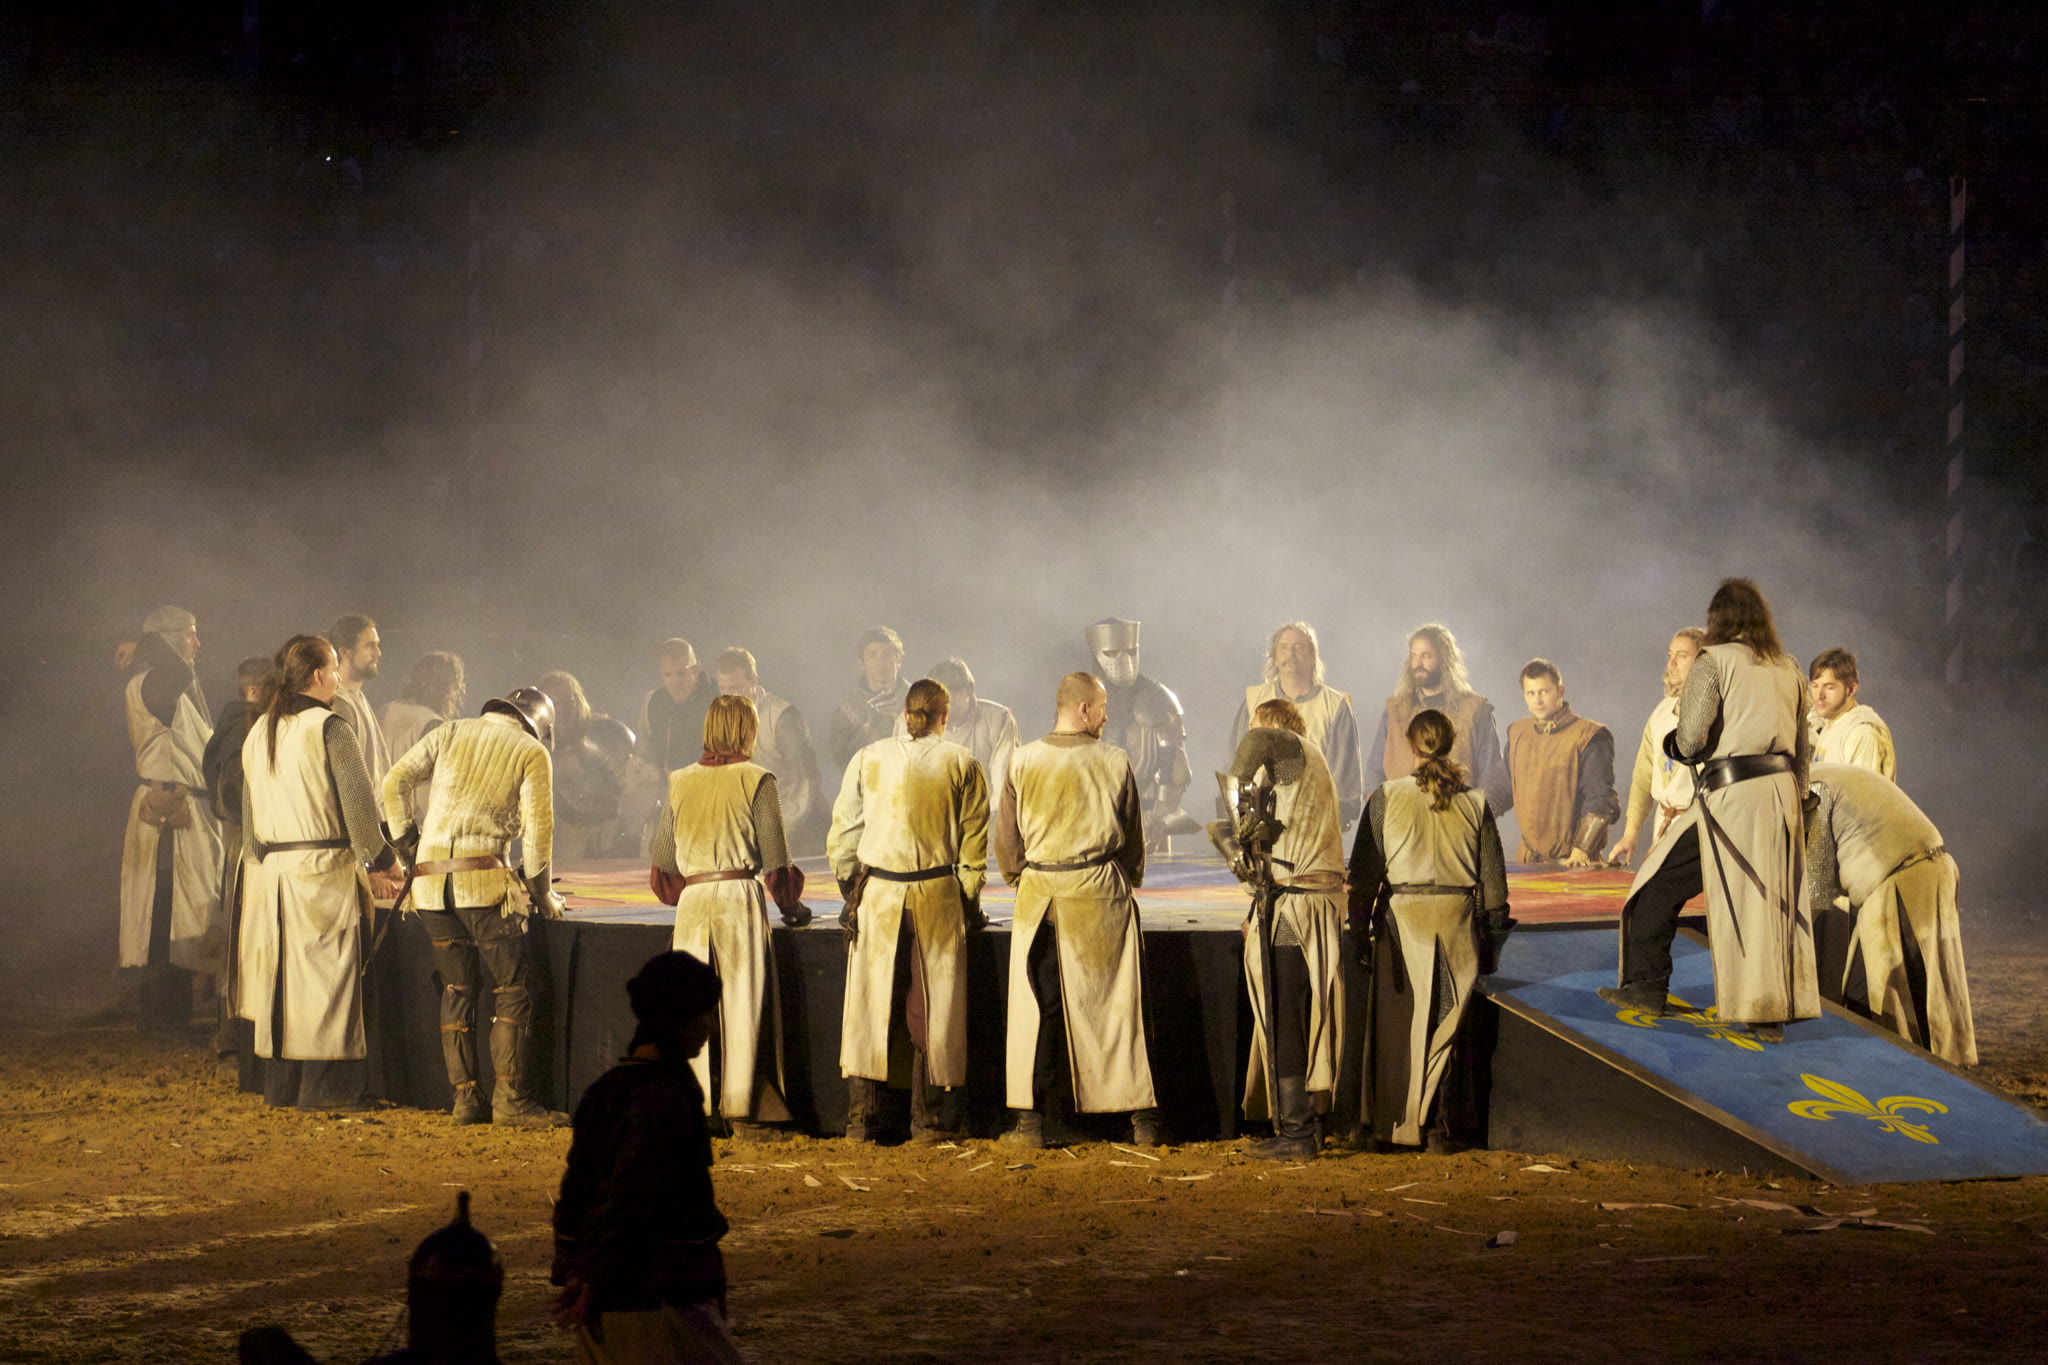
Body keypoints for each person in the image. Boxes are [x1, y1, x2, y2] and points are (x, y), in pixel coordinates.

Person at [1599, 579, 1817, 1044]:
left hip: (1731, 799)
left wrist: (1675, 745)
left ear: (1718, 619)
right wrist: (1796, 802)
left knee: (1654, 885)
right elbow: (1802, 748)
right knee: (1765, 905)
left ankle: (1645, 987)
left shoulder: (1712, 661)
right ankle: (1768, 1016)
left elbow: (1692, 738)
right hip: (1781, 799)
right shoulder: (1790, 667)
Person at [381, 685, 569, 1128]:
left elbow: (393, 783)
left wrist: (410, 846)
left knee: (457, 989)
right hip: (484, 888)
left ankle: (466, 1101)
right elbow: (539, 835)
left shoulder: (450, 732)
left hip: (430, 887)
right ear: (536, 725)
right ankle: (512, 1102)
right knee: (512, 990)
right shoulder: (531, 751)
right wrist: (542, 894)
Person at [995, 672, 1160, 1148]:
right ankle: (1141, 1123)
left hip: (1041, 897)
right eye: (1102, 707)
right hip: (1098, 896)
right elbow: (1132, 839)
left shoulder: (1022, 760)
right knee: (1119, 1008)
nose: (1107, 716)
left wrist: (1023, 878)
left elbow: (1007, 842)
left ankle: (1031, 1125)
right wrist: (1124, 879)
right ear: (1083, 709)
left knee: (1039, 1009)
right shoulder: (1114, 760)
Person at [553, 951, 742, 1365]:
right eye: (705, 1014)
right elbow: (628, 1198)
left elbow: (578, 1190)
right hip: (655, 1299)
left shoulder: (609, 1088)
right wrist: (595, 1277)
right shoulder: (661, 1099)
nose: (711, 1027)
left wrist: (576, 1266)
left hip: (621, 1295)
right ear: (680, 1021)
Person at [238, 634, 402, 1109]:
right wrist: (386, 862)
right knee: (327, 984)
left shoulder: (259, 731)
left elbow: (250, 830)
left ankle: (282, 1087)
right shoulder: (330, 727)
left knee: (283, 984)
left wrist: (270, 871)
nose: (336, 679)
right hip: (321, 874)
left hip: (272, 875)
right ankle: (327, 1090)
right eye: (332, 669)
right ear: (317, 676)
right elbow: (360, 813)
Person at [830, 678, 990, 1143]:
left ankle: (862, 1121)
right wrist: (970, 904)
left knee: (869, 1005)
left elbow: (843, 837)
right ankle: (928, 1121)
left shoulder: (868, 757)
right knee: (931, 1007)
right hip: (935, 896)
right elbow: (973, 850)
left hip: (879, 895)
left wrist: (850, 889)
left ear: (905, 713)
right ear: (945, 717)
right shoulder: (962, 762)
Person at [1349, 709, 1513, 1151]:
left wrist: (1358, 932)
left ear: (1410, 746)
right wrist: (1492, 940)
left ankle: (1394, 1128)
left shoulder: (1386, 798)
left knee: (1401, 1033)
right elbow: (1495, 888)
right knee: (1447, 1028)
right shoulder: (1476, 803)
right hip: (1458, 927)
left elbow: (1363, 878)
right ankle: (1441, 1128)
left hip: (1403, 928)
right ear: (1451, 743)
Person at [650, 695, 811, 1140]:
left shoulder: (679, 781)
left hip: (693, 903)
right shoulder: (757, 779)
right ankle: (747, 1114)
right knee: (744, 1007)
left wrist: (691, 889)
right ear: (748, 730)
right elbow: (776, 861)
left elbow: (663, 866)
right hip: (738, 900)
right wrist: (792, 907)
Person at [1210, 698, 1346, 1161]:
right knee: (1296, 1015)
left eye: (1254, 726)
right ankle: (1308, 1125)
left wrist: (1238, 806)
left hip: (1299, 907)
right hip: (1298, 901)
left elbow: (1253, 748)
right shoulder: (1298, 774)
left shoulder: (1287, 745)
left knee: (1285, 1013)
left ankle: (1297, 1132)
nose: (1249, 735)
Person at [1805, 762, 1975, 1065]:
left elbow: (1817, 888)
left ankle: (1903, 1074)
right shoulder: (1832, 774)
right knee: (1920, 991)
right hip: (1928, 870)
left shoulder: (1817, 788)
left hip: (1902, 881)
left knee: (1879, 994)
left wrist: (1792, 938)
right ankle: (1930, 1070)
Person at [120, 605, 226, 1033]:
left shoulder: (166, 684)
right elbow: (178, 672)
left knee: (184, 911)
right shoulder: (157, 683)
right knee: (166, 912)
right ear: (167, 641)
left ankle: (171, 1011)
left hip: (187, 811)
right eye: (188, 635)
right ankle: (164, 1016)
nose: (197, 644)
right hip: (167, 814)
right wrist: (144, 643)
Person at [1226, 621, 1366, 829]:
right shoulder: (1254, 700)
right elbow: (1235, 764)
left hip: (1314, 824)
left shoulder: (1334, 706)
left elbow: (1343, 780)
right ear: (1275, 657)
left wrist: (1325, 819)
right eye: (1284, 647)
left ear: (1312, 656)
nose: (1290, 654)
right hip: (1259, 823)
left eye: (1298, 647)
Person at [1364, 623, 1512, 816]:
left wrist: (1474, 817)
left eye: (1426, 656)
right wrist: (1379, 816)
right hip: (1402, 820)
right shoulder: (1396, 711)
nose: (1418, 663)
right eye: (1414, 656)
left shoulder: (1474, 710)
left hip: (1456, 820)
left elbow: (1490, 776)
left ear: (1444, 659)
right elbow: (1375, 772)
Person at [203, 655, 272, 1061]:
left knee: (241, 933)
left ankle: (235, 1034)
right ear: (254, 691)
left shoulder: (242, 726)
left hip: (246, 840)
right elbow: (232, 794)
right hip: (244, 842)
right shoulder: (240, 730)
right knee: (239, 936)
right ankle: (230, 1037)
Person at [1084, 617, 1197, 851]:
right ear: (1097, 654)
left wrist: (1158, 817)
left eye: (1130, 651)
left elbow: (1176, 770)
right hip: (1094, 818)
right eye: (1112, 652)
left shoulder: (1158, 699)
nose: (1123, 660)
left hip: (1149, 812)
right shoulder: (1082, 701)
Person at [1503, 659, 1618, 867]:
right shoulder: (1518, 733)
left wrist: (1582, 848)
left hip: (1574, 861)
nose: (1538, 700)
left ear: (1560, 691)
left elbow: (1599, 796)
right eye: (1531, 693)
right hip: (1527, 861)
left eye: (1544, 692)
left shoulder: (1589, 736)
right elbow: (1502, 786)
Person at [1606, 628, 1706, 867]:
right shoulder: (1661, 713)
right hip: (1665, 827)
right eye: (1670, 655)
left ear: (1703, 662)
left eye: (1682, 656)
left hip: (1701, 829)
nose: (1671, 663)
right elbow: (1644, 776)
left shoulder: (1716, 714)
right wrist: (1630, 835)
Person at [714, 647, 824, 855]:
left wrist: (776, 834)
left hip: (800, 830)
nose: (729, 696)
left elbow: (804, 782)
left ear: (753, 681)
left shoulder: (782, 718)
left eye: (735, 688)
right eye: (723, 688)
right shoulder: (720, 719)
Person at [891, 657, 1018, 823]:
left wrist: (982, 821)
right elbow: (901, 778)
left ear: (964, 694)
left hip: (984, 818)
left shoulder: (999, 719)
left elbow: (1004, 780)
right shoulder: (910, 721)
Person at [626, 639, 717, 853]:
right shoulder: (653, 703)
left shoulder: (721, 698)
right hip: (670, 799)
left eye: (682, 673)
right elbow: (643, 753)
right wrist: (647, 768)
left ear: (696, 669)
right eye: (668, 675)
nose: (676, 681)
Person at [539, 669, 638, 859]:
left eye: (567, 703)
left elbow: (635, 786)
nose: (562, 710)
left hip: (613, 830)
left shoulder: (608, 732)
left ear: (577, 700)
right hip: (566, 834)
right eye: (555, 705)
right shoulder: (536, 744)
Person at [380, 651, 466, 829]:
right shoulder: (432, 723)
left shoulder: (384, 711)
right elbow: (427, 794)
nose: (456, 694)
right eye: (454, 687)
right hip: (412, 827)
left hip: (382, 821)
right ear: (443, 688)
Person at [1808, 648, 1897, 780]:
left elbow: (1864, 791)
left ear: (1851, 689)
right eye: (1815, 686)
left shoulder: (1862, 734)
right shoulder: (1831, 723)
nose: (1819, 695)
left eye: (1829, 687)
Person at [326, 613, 392, 791]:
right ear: (345, 652)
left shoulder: (358, 697)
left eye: (377, 645)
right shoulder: (339, 703)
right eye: (369, 646)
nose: (378, 653)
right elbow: (345, 781)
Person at [829, 625, 908, 771]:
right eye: (872, 655)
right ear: (861, 663)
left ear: (899, 660)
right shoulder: (847, 710)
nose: (880, 663)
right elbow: (842, 760)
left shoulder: (922, 700)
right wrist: (869, 728)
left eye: (887, 655)